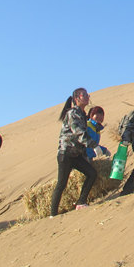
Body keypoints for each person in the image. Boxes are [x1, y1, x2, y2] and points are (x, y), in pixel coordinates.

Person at [50, 88, 99, 216]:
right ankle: (52, 214)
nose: (87, 97)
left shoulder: (82, 114)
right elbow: (79, 133)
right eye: (84, 95)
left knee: (92, 173)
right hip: (66, 153)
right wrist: (94, 146)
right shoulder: (73, 113)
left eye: (88, 94)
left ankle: (81, 202)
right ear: (77, 98)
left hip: (76, 155)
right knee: (62, 184)